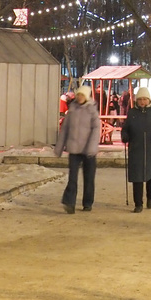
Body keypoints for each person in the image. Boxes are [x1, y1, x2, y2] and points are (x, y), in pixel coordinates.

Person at [54, 85, 101, 213]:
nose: (80, 97)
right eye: (78, 95)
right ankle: (69, 203)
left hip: (88, 151)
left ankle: (87, 202)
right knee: (72, 177)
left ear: (87, 97)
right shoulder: (72, 109)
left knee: (89, 178)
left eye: (82, 95)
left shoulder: (92, 111)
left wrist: (92, 147)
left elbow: (96, 130)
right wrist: (59, 147)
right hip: (74, 149)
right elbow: (65, 129)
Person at [121, 87, 151, 213]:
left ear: (149, 100)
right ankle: (138, 204)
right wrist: (124, 136)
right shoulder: (132, 113)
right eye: (140, 99)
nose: (142, 102)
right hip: (136, 149)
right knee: (137, 177)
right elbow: (125, 128)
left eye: (145, 99)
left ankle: (150, 198)